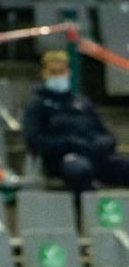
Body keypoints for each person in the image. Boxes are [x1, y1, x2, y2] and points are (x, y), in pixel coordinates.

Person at [23, 51, 129, 193]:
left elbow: (105, 133)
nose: (58, 76)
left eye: (61, 71)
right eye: (53, 72)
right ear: (45, 74)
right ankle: (84, 211)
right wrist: (68, 144)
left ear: (68, 72)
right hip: (63, 160)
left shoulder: (82, 102)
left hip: (95, 155)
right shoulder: (37, 105)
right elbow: (33, 140)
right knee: (80, 170)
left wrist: (101, 144)